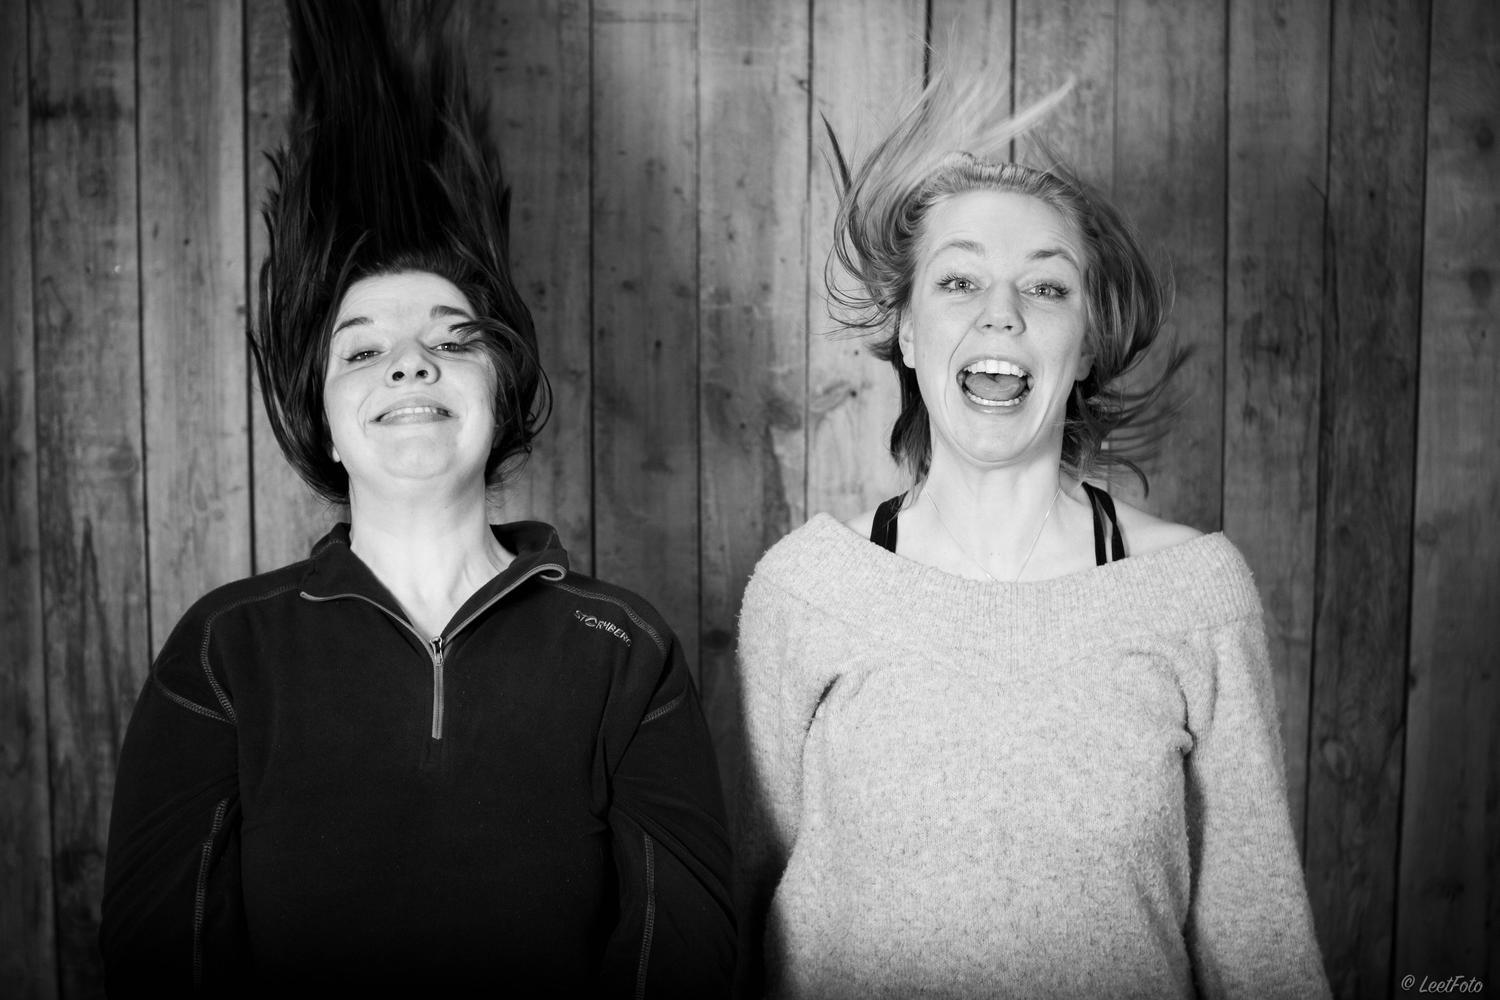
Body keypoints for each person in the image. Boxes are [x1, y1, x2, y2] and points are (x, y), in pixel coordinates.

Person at [99, 2, 733, 995]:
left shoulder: (626, 649)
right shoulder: (224, 650)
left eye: (449, 338)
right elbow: (158, 962)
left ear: (501, 390)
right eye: (363, 352)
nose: (409, 364)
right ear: (323, 419)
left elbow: (682, 962)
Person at [732, 70, 1330, 999]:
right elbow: (732, 921)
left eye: (1046, 287)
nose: (1001, 311)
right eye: (960, 279)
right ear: (907, 332)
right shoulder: (804, 591)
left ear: (1085, 344)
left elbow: (1262, 951)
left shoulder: (1195, 596)